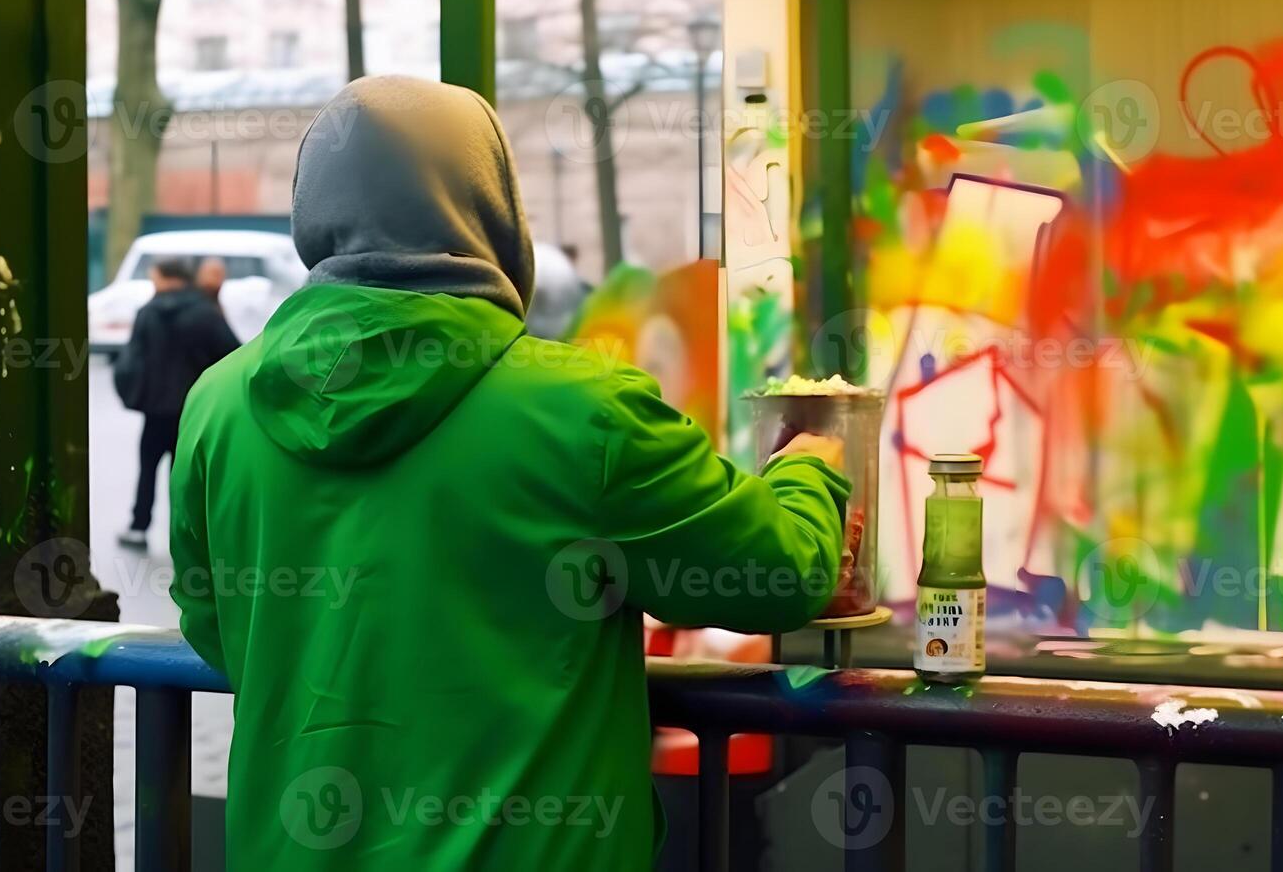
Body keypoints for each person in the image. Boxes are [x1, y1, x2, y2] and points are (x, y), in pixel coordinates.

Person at [168, 76, 850, 870]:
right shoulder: (585, 411)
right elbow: (778, 576)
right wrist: (811, 468)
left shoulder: (217, 406)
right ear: (490, 208)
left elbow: (213, 625)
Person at [115, 257, 238, 549]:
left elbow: (132, 360)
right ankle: (187, 535)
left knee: (147, 468)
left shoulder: (148, 312)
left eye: (154, 277)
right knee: (186, 476)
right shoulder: (206, 313)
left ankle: (138, 527)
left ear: (168, 278)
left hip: (155, 410)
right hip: (194, 409)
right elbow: (232, 355)